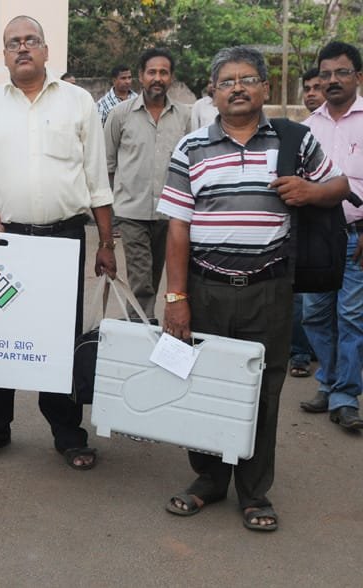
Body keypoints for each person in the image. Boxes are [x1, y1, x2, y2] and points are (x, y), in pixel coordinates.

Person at [158, 46, 347, 532]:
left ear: (265, 87)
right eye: (226, 81)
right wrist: (176, 298)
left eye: (247, 79)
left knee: (264, 388)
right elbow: (178, 227)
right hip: (205, 288)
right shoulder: (192, 148)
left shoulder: (295, 140)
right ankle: (208, 480)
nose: (237, 87)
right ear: (213, 92)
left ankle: (254, 490)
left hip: (269, 289)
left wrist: (311, 192)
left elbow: (340, 186)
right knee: (200, 383)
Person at [0, 15, 116, 469]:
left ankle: (67, 432)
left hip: (64, 239)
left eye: (31, 41)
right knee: (1, 333)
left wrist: (106, 243)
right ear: (4, 54)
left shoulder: (78, 102)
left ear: (47, 51)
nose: (22, 48)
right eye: (13, 43)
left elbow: (96, 178)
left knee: (59, 338)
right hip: (8, 242)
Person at [299, 41, 363, 429]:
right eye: (326, 74)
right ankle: (329, 382)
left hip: (357, 235)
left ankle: (344, 395)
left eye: (342, 72)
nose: (333, 80)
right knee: (315, 314)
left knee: (352, 316)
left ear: (358, 76)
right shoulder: (308, 128)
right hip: (317, 237)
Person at [104, 47, 191, 320]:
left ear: (171, 78)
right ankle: (141, 330)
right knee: (141, 280)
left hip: (170, 214)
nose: (157, 78)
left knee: (155, 275)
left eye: (163, 72)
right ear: (141, 76)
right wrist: (108, 217)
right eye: (152, 72)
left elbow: (191, 165)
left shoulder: (184, 117)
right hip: (132, 212)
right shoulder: (120, 115)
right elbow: (107, 165)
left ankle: (144, 325)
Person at [289, 67, 323, 379]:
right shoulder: (302, 131)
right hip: (304, 224)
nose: (311, 93)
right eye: (307, 88)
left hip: (342, 227)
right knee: (300, 296)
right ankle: (299, 352)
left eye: (317, 87)